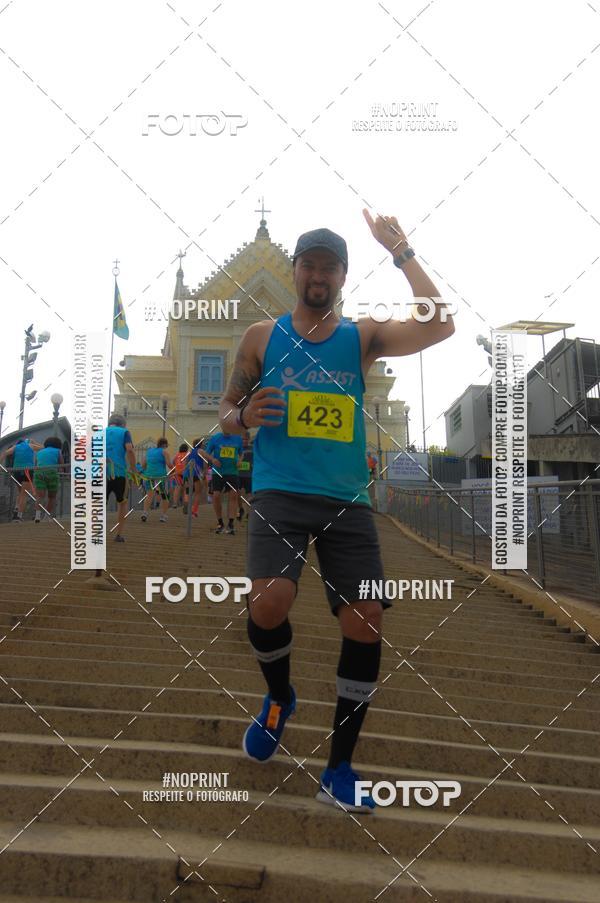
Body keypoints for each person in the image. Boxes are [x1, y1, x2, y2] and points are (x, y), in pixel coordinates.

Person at [217, 212, 454, 812]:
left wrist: (401, 251)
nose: (318, 274)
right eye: (309, 264)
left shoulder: (362, 337)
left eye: (329, 266)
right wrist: (242, 419)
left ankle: (340, 768)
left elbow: (440, 325)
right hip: (278, 493)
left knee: (366, 619)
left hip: (348, 502)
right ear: (295, 271)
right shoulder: (259, 338)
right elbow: (225, 410)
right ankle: (278, 698)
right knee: (268, 603)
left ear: (342, 276)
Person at [105, 413, 137, 542]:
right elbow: (129, 449)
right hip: (119, 472)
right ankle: (118, 534)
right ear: (123, 424)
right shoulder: (124, 432)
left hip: (101, 473)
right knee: (122, 503)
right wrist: (134, 469)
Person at [205, 431, 243, 534]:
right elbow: (205, 453)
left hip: (232, 472)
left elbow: (241, 453)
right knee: (216, 496)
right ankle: (220, 522)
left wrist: (240, 460)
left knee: (233, 496)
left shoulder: (238, 438)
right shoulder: (215, 438)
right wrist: (212, 459)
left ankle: (231, 523)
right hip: (218, 472)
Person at [1, 437, 43, 521]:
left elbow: (4, 453)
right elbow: (42, 448)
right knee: (24, 494)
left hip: (16, 471)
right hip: (27, 471)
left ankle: (16, 509)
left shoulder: (16, 447)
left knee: (20, 492)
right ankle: (18, 517)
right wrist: (34, 441)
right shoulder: (30, 445)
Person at [33, 436, 64, 522]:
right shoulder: (58, 451)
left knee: (39, 496)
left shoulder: (40, 451)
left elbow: (36, 464)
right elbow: (61, 464)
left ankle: (37, 516)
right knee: (52, 496)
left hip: (39, 473)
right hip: (52, 472)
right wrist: (63, 473)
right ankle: (46, 516)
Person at [141, 438, 171, 522]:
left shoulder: (149, 451)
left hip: (149, 476)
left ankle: (145, 513)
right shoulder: (164, 452)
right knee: (164, 496)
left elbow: (143, 465)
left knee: (149, 495)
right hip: (160, 477)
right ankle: (163, 516)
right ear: (165, 445)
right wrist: (175, 470)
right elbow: (169, 464)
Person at [237, 431, 253, 520]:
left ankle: (248, 513)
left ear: (249, 439)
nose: (244, 441)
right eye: (242, 439)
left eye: (246, 439)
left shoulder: (252, 449)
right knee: (237, 493)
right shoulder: (237, 449)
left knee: (249, 495)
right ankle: (240, 509)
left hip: (249, 475)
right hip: (238, 474)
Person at [171, 443, 189, 508]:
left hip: (177, 474)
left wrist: (176, 467)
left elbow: (173, 462)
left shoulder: (177, 455)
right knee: (185, 489)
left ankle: (175, 504)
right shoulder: (187, 455)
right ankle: (185, 504)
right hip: (185, 474)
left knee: (177, 489)